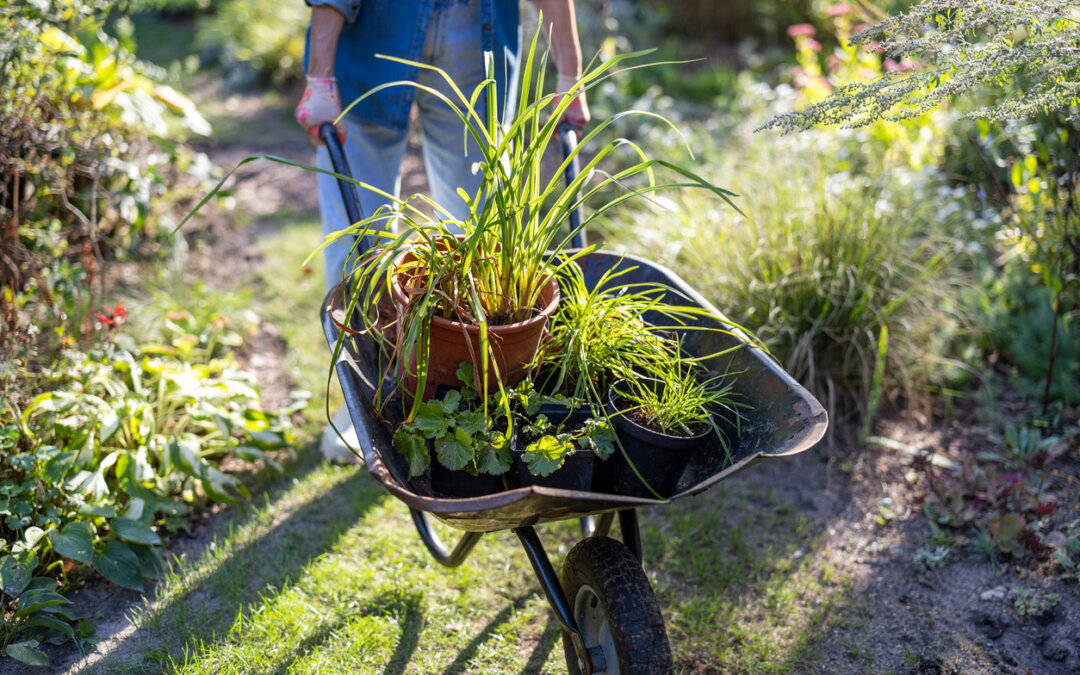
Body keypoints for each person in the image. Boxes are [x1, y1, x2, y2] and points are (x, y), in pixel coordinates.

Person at [295, 0, 590, 462]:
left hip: (478, 30)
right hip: (374, 27)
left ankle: (468, 411)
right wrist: (320, 77)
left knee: (481, 247)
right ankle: (363, 410)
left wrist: (571, 74)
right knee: (357, 250)